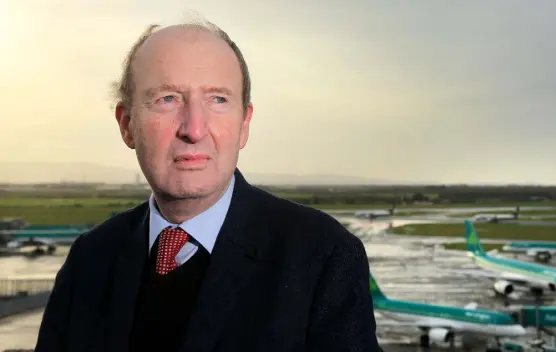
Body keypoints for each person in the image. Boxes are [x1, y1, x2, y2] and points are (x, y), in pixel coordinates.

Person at [35, 20, 380, 352]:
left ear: (244, 124)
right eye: (167, 99)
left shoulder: (322, 255)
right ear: (127, 125)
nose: (194, 129)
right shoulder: (89, 258)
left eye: (218, 100)